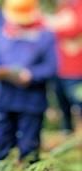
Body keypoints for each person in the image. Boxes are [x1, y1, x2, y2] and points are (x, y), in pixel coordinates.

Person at [0, 0, 57, 163]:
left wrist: (31, 75)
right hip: (6, 99)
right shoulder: (2, 33)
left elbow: (51, 67)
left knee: (29, 147)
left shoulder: (45, 35)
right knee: (0, 142)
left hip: (31, 101)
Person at [46, 0, 82, 133]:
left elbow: (76, 28)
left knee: (78, 104)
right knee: (63, 105)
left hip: (75, 71)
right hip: (58, 68)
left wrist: (55, 25)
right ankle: (67, 132)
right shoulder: (63, 7)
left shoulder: (78, 6)